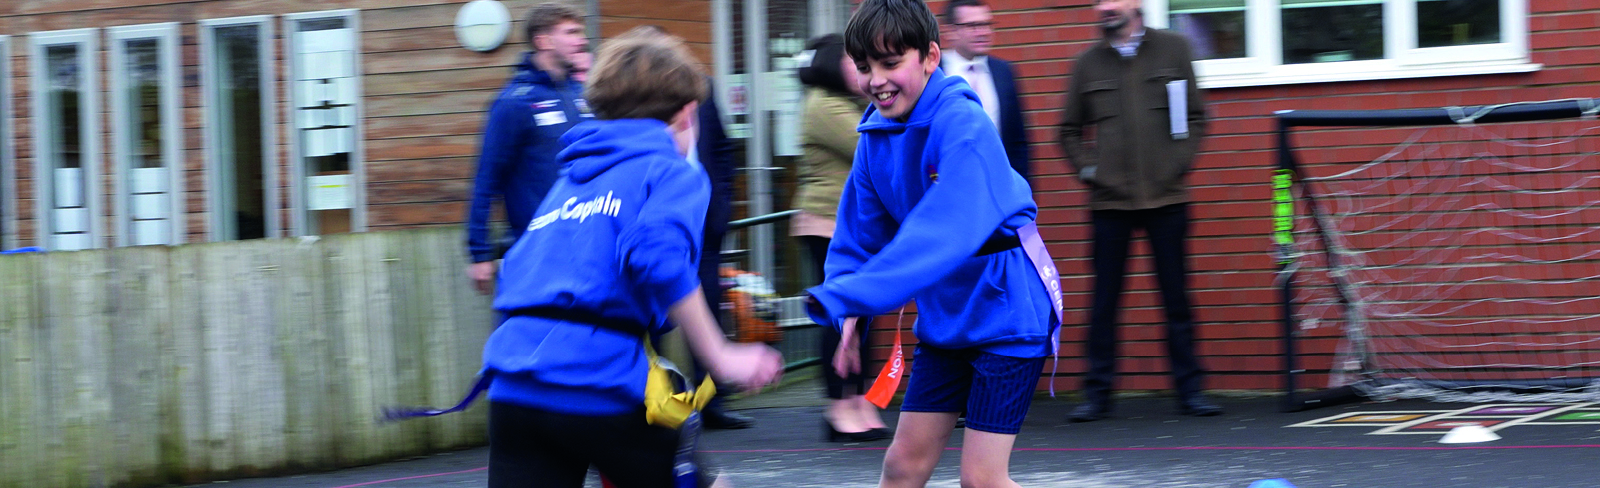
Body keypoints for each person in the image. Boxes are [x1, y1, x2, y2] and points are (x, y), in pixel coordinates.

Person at [482, 28, 784, 488]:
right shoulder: (670, 172)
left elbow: (522, 269)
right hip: (596, 386)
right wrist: (719, 355)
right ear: (687, 114)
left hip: (515, 390)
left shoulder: (570, 180)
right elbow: (657, 256)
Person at [805, 0, 1061, 486]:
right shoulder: (873, 138)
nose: (876, 79)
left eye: (890, 62)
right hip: (947, 319)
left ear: (930, 57)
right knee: (902, 468)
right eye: (864, 67)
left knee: (982, 479)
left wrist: (852, 295)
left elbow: (943, 227)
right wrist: (847, 317)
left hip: (1006, 314)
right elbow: (858, 239)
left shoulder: (964, 123)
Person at [1056, 0, 1220, 422]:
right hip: (1110, 203)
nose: (1105, 8)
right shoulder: (1087, 63)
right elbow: (1069, 131)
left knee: (1176, 301)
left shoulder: (1174, 49)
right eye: (1100, 2)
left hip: (1168, 199)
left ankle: (1191, 392)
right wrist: (1091, 170)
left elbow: (1197, 117)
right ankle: (1097, 395)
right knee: (1104, 303)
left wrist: (1177, 164)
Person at [630, 24, 752, 431]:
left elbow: (722, 149)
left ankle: (712, 402)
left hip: (704, 225)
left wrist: (722, 207)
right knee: (653, 314)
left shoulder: (705, 88)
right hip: (655, 223)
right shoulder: (635, 109)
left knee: (708, 306)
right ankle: (653, 402)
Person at [789, 33, 887, 443]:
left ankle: (859, 398)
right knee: (838, 317)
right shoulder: (823, 105)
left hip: (851, 226)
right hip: (827, 223)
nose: (861, 69)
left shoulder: (842, 103)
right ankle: (838, 406)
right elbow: (871, 138)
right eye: (854, 61)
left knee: (862, 317)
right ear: (832, 64)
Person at [465, 2, 590, 295]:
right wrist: (480, 252)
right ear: (543, 41)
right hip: (535, 252)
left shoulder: (582, 97)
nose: (581, 40)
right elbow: (486, 179)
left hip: (586, 244)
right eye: (571, 32)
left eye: (580, 32)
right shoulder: (514, 102)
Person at [939, 0, 1031, 180]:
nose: (983, 32)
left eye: (986, 24)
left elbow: (1018, 141)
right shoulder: (934, 74)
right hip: (947, 186)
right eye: (973, 26)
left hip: (998, 187)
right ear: (950, 31)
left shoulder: (1003, 72)